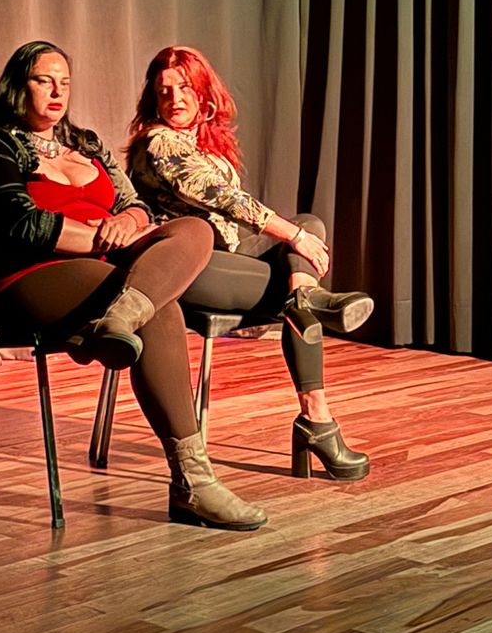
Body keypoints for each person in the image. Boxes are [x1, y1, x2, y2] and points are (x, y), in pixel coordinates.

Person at [0, 41, 267, 531]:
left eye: (64, 82)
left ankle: (117, 320)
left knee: (194, 230)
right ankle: (194, 482)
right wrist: (105, 236)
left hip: (106, 266)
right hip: (31, 276)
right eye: (43, 81)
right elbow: (22, 224)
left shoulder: (86, 144)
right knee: (160, 309)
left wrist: (130, 220)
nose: (57, 92)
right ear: (18, 86)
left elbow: (133, 203)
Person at [127, 45, 373, 482]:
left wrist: (298, 234)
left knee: (310, 224)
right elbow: (222, 198)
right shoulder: (159, 142)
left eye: (184, 87)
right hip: (189, 267)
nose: (175, 99)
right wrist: (291, 236)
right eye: (164, 91)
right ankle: (317, 420)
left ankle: (306, 300)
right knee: (298, 250)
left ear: (203, 92)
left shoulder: (204, 142)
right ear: (154, 99)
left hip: (229, 257)